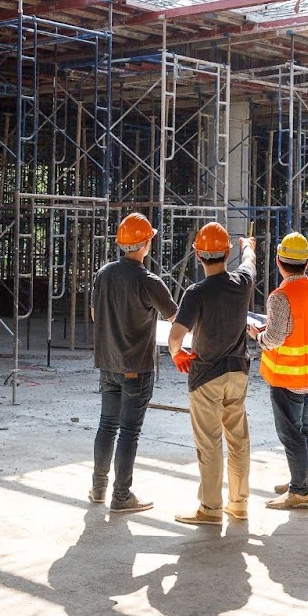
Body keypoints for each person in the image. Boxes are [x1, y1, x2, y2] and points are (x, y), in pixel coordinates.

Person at [167, 224, 257, 526]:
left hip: (206, 376)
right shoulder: (242, 282)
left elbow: (176, 335)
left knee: (209, 443)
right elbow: (249, 262)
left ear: (197, 254)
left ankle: (210, 508)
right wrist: (248, 246)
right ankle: (239, 504)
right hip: (238, 373)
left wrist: (176, 353)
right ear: (226, 252)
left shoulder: (196, 293)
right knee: (239, 441)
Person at [89, 212, 177, 514]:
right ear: (145, 243)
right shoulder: (148, 281)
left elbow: (94, 315)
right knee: (128, 432)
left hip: (108, 364)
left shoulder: (104, 274)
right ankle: (122, 496)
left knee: (106, 426)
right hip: (135, 368)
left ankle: (98, 489)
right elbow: (176, 318)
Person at [248, 231, 308, 510]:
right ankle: (303, 480)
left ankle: (299, 491)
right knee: (304, 429)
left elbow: (273, 340)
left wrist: (256, 335)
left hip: (287, 377)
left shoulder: (280, 296)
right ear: (307, 262)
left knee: (290, 434)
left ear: (278, 262)